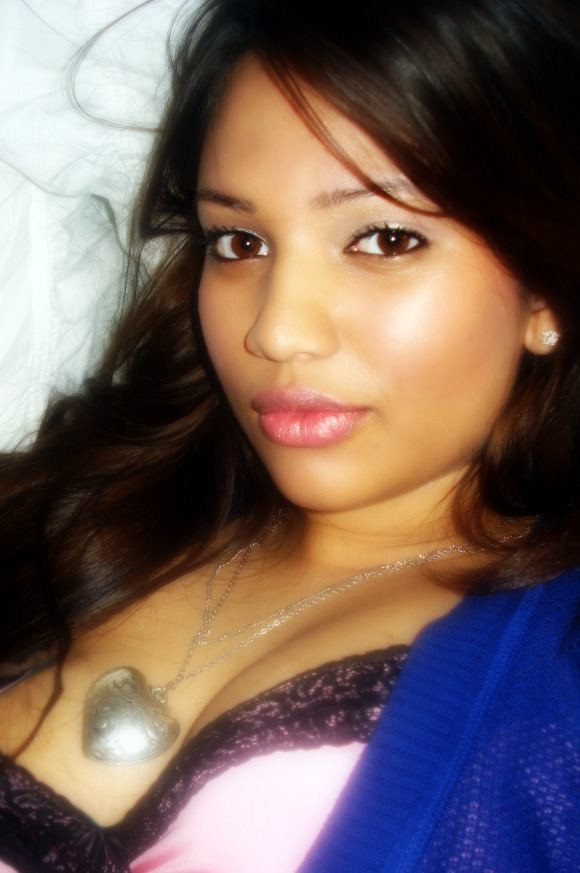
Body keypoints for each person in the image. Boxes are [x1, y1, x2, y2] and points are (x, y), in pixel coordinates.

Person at [0, 0, 579, 870]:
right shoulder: (73, 507)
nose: (276, 330)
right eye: (239, 241)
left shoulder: (553, 686)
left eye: (384, 239)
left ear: (547, 290)